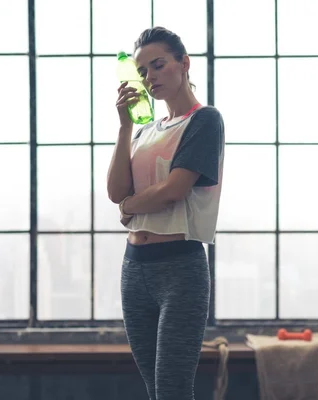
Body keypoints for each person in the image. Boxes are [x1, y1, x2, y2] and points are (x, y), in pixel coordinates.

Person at [106, 26, 225, 400]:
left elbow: (174, 190)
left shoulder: (204, 120)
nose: (149, 77)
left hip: (180, 269)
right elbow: (114, 191)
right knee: (155, 390)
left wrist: (130, 205)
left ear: (184, 63)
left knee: (173, 389)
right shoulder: (144, 131)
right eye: (142, 71)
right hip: (134, 267)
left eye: (157, 65)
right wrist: (126, 127)